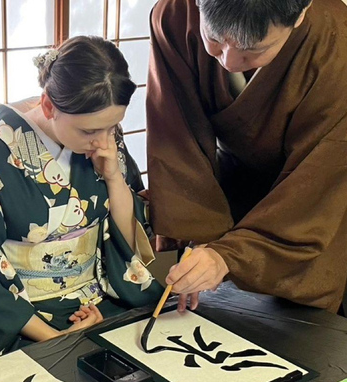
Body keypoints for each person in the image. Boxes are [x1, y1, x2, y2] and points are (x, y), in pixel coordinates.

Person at [0, 36, 164, 363]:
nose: (102, 140)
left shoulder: (104, 140)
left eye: (113, 126)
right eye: (88, 132)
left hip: (106, 301)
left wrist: (113, 178)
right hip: (29, 323)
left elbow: (126, 245)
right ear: (48, 106)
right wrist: (55, 338)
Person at [147, 0, 347, 313]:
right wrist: (203, 237)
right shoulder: (176, 14)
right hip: (227, 186)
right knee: (218, 309)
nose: (228, 60)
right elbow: (175, 131)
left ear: (301, 14)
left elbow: (322, 167)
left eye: (253, 49)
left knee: (296, 326)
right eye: (214, 39)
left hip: (312, 197)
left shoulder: (338, 42)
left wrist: (230, 255)